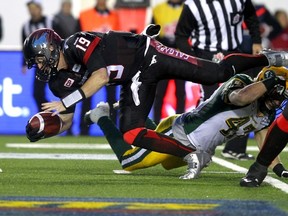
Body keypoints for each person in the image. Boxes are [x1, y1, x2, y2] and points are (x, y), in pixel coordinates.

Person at [23, 26, 288, 174]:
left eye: (37, 59)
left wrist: (70, 100)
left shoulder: (75, 43)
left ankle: (268, 58)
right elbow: (67, 119)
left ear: (49, 48)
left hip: (148, 55)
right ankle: (190, 154)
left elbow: (101, 76)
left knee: (215, 74)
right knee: (131, 133)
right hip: (134, 79)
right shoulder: (59, 81)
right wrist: (45, 128)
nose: (38, 65)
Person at [84, 66, 288, 179]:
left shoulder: (266, 115)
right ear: (265, 84)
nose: (278, 101)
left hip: (202, 151)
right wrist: (271, 81)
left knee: (167, 165)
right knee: (131, 162)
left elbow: (266, 146)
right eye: (277, 94)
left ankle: (133, 114)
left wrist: (280, 170)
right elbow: (241, 98)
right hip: (184, 133)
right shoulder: (242, 82)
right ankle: (101, 115)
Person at [175, 0, 263, 160]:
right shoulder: (194, 4)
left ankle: (234, 148)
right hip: (205, 55)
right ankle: (191, 142)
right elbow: (181, 35)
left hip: (234, 53)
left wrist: (256, 39)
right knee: (208, 101)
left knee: (245, 97)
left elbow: (250, 16)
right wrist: (193, 59)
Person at [78, 0, 120, 134]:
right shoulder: (84, 15)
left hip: (109, 62)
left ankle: (113, 128)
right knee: (86, 94)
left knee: (112, 98)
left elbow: (118, 39)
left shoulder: (114, 16)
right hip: (90, 61)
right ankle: (83, 129)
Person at [151, 0, 186, 124]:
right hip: (163, 57)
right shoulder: (158, 9)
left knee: (180, 93)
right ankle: (155, 124)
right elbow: (152, 34)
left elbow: (192, 32)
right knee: (159, 93)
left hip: (181, 57)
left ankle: (180, 125)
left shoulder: (188, 7)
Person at [21, 0, 52, 112]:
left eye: (35, 8)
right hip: (40, 65)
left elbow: (62, 39)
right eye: (30, 8)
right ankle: (48, 118)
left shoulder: (50, 22)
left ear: (40, 9)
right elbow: (25, 46)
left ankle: (67, 121)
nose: (32, 11)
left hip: (56, 62)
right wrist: (24, 63)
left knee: (63, 91)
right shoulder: (26, 26)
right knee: (37, 93)